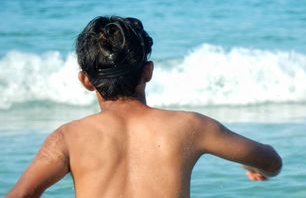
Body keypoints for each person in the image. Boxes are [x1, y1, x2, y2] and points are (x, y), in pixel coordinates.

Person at [6, 16, 282, 198]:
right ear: (147, 71)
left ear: (85, 80)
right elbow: (271, 161)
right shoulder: (190, 127)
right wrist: (251, 162)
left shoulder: (68, 138)